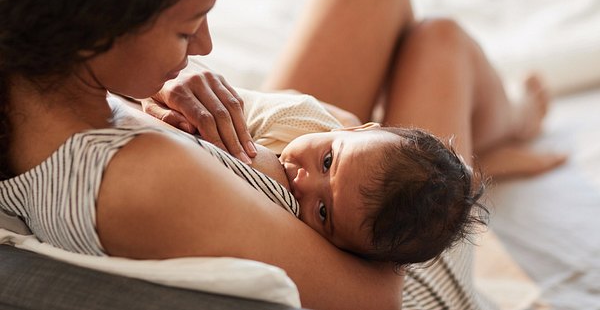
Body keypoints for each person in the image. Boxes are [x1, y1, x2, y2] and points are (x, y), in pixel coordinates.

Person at [0, 0, 404, 310]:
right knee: (444, 46)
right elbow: (382, 300)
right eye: (187, 28)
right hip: (405, 266)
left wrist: (144, 91)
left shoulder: (31, 83)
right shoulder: (148, 179)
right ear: (94, 26)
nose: (205, 47)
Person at [117, 82, 488, 268]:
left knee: (442, 35)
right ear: (353, 130)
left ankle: (504, 137)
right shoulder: (299, 117)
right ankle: (507, 129)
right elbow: (208, 110)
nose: (301, 182)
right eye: (327, 162)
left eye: (323, 212)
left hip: (431, 282)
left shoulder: (356, 241)